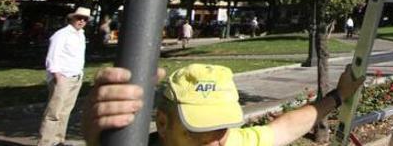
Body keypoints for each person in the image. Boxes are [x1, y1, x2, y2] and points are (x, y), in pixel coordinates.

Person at [82, 63, 365, 146]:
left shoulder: (227, 142)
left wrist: (338, 96)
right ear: (163, 123)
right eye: (198, 129)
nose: (215, 140)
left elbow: (283, 129)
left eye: (222, 126)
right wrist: (97, 139)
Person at [39, 6, 91, 146]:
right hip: (62, 77)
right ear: (72, 18)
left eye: (84, 19)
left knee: (65, 111)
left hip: (75, 76)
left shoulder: (81, 34)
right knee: (53, 112)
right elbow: (52, 55)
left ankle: (58, 140)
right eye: (79, 18)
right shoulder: (61, 34)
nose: (81, 21)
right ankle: (45, 142)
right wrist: (56, 74)